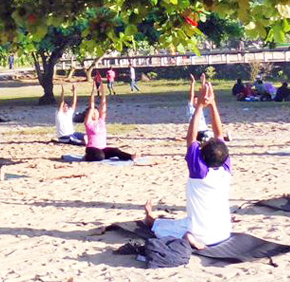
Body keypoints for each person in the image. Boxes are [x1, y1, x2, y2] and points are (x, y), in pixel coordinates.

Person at [145, 80, 231, 249]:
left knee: (159, 226)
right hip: (224, 232)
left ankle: (186, 236)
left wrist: (199, 106)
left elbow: (191, 138)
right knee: (182, 221)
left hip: (202, 236)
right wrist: (212, 104)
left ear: (202, 155)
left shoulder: (199, 172)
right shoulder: (225, 169)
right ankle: (187, 233)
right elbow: (219, 133)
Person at [84, 84, 136, 162]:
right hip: (92, 149)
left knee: (115, 150)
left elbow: (103, 105)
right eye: (93, 113)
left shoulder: (101, 121)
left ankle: (130, 156)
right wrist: (93, 92)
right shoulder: (88, 123)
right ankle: (87, 157)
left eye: (96, 112)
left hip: (102, 148)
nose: (95, 114)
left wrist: (103, 91)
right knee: (100, 156)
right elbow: (91, 106)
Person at [187, 74, 211, 142]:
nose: (196, 101)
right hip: (197, 131)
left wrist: (203, 81)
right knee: (208, 136)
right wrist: (193, 83)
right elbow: (191, 95)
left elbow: (204, 94)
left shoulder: (200, 107)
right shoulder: (191, 108)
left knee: (210, 135)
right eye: (195, 100)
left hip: (205, 129)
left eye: (197, 100)